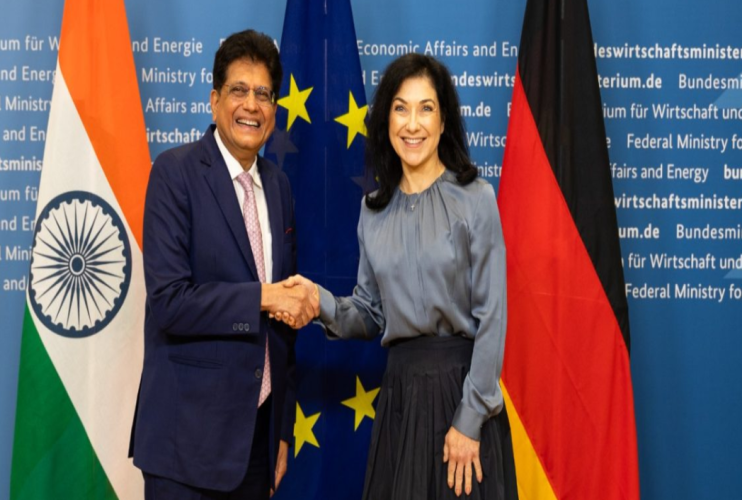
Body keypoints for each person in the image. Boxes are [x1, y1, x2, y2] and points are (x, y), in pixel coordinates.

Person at [278, 53, 518, 499]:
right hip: (400, 401)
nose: (412, 124)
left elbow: (493, 318)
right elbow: (370, 313)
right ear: (386, 120)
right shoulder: (373, 211)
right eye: (401, 108)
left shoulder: (476, 198)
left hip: (463, 395)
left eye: (426, 108)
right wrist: (318, 301)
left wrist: (469, 420)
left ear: (443, 121)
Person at [130, 30, 318, 500]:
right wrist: (264, 297)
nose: (251, 105)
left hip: (256, 444)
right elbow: (170, 303)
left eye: (263, 94)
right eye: (239, 90)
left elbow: (284, 328)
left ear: (274, 108)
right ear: (215, 101)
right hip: (186, 447)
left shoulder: (279, 187)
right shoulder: (174, 173)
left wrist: (281, 429)